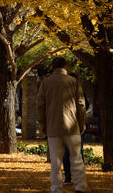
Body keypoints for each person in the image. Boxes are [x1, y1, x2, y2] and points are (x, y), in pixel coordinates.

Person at [38, 58, 88, 193]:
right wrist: (81, 123)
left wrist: (43, 124)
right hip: (72, 126)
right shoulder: (73, 82)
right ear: (66, 67)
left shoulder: (46, 83)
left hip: (53, 127)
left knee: (55, 162)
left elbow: (40, 105)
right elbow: (81, 104)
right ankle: (80, 187)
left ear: (52, 67)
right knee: (76, 159)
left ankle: (56, 189)